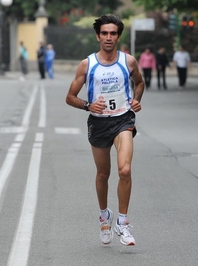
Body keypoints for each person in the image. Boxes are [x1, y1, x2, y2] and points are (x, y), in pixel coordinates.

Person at [65, 14, 144, 246]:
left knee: (125, 170)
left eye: (113, 33)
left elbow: (139, 83)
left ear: (118, 36)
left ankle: (122, 222)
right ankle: (104, 215)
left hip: (123, 119)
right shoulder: (87, 65)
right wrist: (89, 105)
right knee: (103, 174)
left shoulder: (128, 61)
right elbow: (70, 97)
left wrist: (136, 99)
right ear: (98, 36)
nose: (109, 37)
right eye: (105, 33)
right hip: (98, 122)